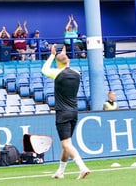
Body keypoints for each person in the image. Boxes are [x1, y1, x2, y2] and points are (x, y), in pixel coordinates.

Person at [41, 45, 90, 180]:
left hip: (62, 113)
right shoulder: (77, 73)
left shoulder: (57, 73)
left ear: (57, 63)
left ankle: (82, 167)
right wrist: (63, 56)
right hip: (74, 112)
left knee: (66, 144)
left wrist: (52, 55)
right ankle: (60, 172)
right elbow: (65, 64)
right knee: (66, 144)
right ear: (68, 61)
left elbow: (44, 69)